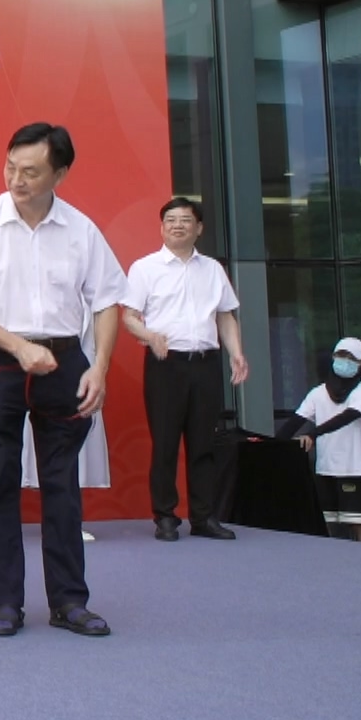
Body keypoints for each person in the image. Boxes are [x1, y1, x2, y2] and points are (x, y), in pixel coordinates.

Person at [0, 123, 127, 639]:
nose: (16, 180)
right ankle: (4, 601)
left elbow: (108, 300)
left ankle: (69, 600)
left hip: (63, 361)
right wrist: (17, 346)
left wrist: (100, 366)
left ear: (60, 174)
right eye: (11, 167)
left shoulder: (81, 230)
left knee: (61, 484)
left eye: (31, 171)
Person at [122, 196, 250, 542]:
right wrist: (150, 336)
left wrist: (236, 353)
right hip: (166, 364)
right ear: (162, 227)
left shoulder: (213, 269)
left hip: (205, 363)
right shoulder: (145, 268)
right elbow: (129, 317)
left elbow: (225, 315)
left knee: (204, 443)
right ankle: (165, 517)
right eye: (171, 220)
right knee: (165, 443)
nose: (178, 225)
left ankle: (204, 517)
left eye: (185, 220)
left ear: (199, 228)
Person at [278, 338, 361, 543]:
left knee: (358, 524)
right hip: (325, 469)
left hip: (354, 470)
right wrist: (269, 444)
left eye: (350, 357)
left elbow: (345, 418)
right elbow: (295, 422)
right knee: (326, 525)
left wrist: (313, 435)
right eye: (340, 355)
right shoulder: (318, 393)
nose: (344, 361)